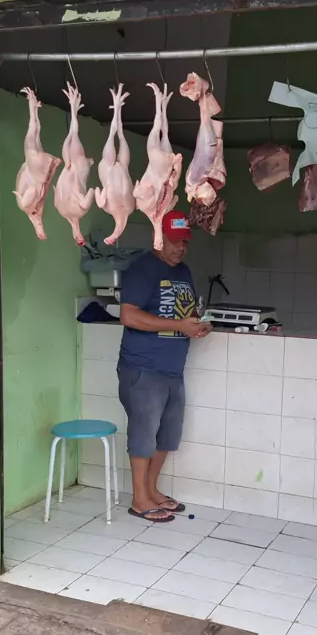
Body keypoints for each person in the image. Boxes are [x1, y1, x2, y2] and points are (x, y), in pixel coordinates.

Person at [118, 210, 211, 523]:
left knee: (167, 436)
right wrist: (178, 325)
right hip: (143, 368)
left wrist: (196, 324)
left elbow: (183, 313)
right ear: (158, 238)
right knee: (144, 435)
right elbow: (128, 315)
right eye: (174, 241)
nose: (180, 247)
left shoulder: (183, 271)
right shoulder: (142, 270)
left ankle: (151, 490)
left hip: (172, 369)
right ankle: (139, 499)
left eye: (185, 241)